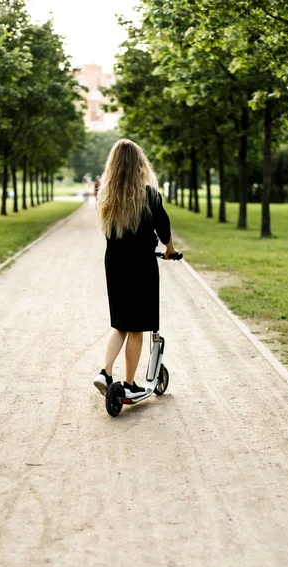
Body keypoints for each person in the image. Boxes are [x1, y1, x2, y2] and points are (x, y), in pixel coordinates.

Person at [93, 139, 178, 400]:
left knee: (120, 324)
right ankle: (129, 383)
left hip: (115, 265)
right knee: (137, 327)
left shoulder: (106, 195)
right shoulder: (149, 195)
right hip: (141, 266)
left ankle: (105, 373)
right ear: (140, 164)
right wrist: (170, 249)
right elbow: (163, 229)